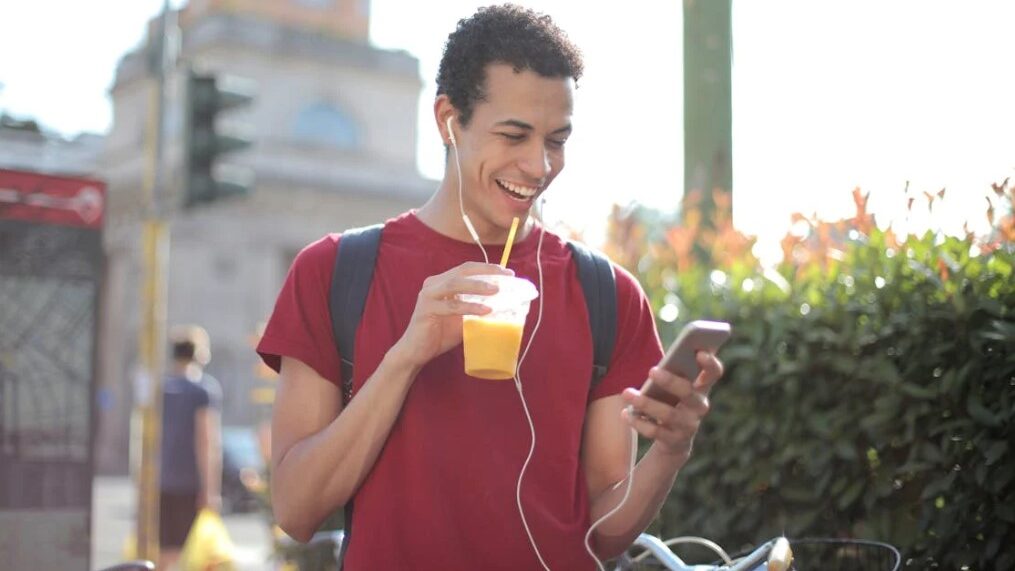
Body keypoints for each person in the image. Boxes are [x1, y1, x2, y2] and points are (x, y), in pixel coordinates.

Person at [257, 4, 724, 570]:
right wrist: (407, 356)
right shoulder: (334, 272)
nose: (538, 165)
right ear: (448, 119)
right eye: (514, 135)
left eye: (557, 139)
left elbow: (600, 534)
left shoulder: (608, 294)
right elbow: (296, 509)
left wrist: (671, 451)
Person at [158, 325, 223, 570]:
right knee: (190, 553)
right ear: (200, 355)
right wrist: (210, 490)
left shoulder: (160, 388)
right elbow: (206, 441)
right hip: (189, 482)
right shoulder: (203, 391)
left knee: (163, 550)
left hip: (160, 480)